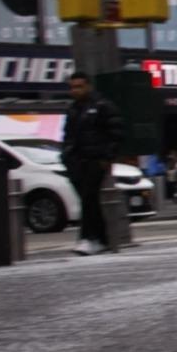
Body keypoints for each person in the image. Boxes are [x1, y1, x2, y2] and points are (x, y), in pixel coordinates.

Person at [59, 72, 120, 256]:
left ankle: (87, 237)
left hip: (95, 159)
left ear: (88, 86)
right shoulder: (73, 109)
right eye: (72, 87)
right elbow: (68, 136)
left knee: (88, 197)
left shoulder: (102, 106)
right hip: (77, 161)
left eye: (78, 86)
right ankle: (100, 239)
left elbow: (116, 132)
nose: (75, 90)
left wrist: (107, 157)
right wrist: (67, 157)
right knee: (89, 200)